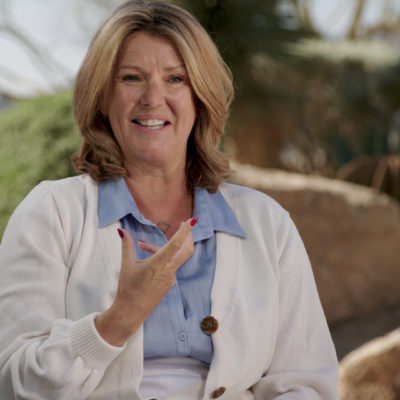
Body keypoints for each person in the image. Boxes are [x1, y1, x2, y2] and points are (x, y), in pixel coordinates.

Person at [0, 1, 338, 399]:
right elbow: (13, 382)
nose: (152, 97)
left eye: (175, 79)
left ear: (200, 98)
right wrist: (117, 320)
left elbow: (306, 382)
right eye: (131, 77)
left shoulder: (267, 223)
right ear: (103, 98)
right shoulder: (52, 213)